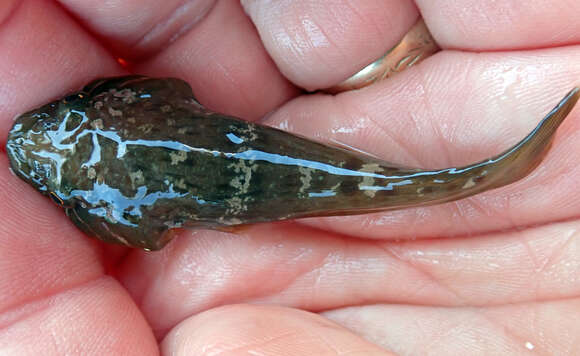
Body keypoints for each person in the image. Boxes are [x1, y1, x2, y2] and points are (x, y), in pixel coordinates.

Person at [0, 1, 579, 354]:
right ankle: (482, 175)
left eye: (73, 117)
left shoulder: (119, 213)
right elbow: (170, 97)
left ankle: (484, 174)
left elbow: (151, 235)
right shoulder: (140, 110)